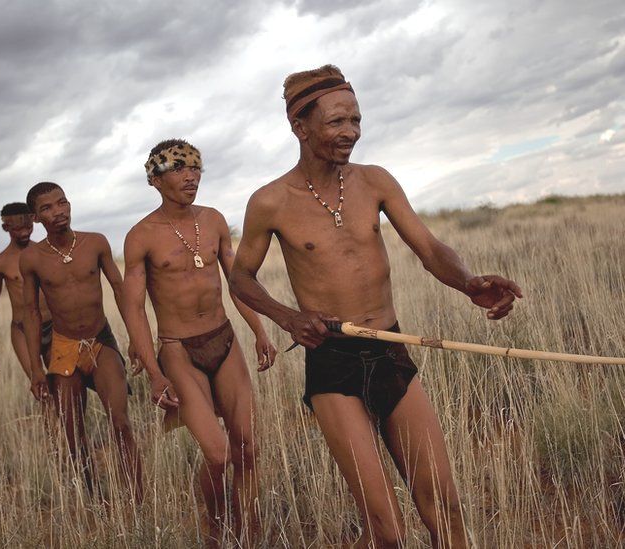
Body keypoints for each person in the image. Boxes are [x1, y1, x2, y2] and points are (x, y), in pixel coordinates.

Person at [230, 65, 523, 548]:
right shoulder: (270, 201)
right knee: (386, 530)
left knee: (444, 507)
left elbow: (429, 249)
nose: (351, 133)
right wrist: (288, 317)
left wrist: (468, 283)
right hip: (334, 363)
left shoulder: (375, 181)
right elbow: (241, 276)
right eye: (336, 122)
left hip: (391, 350)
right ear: (299, 127)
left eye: (356, 120)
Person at [123, 139, 277, 546]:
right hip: (178, 351)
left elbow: (238, 283)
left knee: (246, 448)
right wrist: (155, 374)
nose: (191, 177)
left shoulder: (213, 220)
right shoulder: (141, 236)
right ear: (155, 180)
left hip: (224, 341)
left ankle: (248, 531)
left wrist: (260, 330)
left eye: (196, 169)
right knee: (218, 454)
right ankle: (215, 524)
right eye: (179, 169)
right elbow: (134, 309)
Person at [19, 182, 143, 502]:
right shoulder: (33, 259)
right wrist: (35, 368)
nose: (57, 212)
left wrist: (135, 340)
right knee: (74, 436)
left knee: (120, 423)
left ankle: (137, 498)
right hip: (62, 348)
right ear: (35, 218)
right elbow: (31, 313)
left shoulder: (95, 243)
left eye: (61, 203)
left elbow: (119, 289)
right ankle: (93, 500)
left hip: (100, 341)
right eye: (47, 208)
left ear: (69, 204)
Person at [0, 203, 53, 382]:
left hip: (52, 326)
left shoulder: (45, 252)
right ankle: (47, 410)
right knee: (40, 387)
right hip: (22, 329)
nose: (24, 233)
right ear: (6, 227)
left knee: (63, 383)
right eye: (18, 229)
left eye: (28, 227)